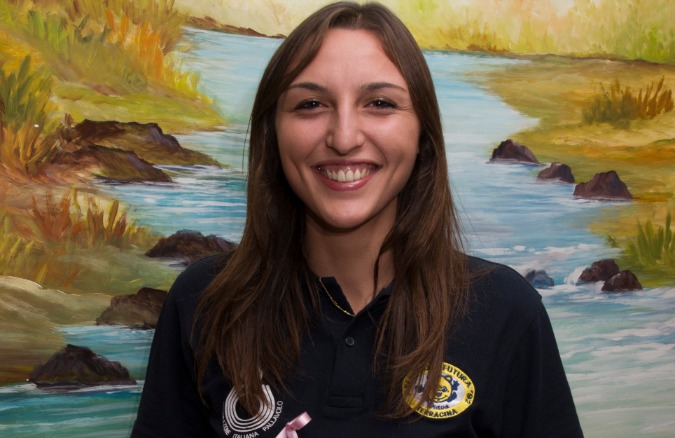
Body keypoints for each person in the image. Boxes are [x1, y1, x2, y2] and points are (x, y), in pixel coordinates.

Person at [132, 2, 584, 437]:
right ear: (273, 134)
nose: (344, 137)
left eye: (380, 103)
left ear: (423, 134)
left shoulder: (505, 312)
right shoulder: (204, 303)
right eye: (311, 104)